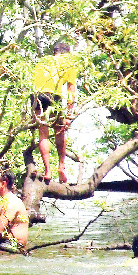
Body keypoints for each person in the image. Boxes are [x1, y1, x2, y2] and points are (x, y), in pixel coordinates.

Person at [31, 41, 79, 183]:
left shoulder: (42, 62)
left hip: (36, 96)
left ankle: (48, 170)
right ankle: (61, 166)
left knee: (43, 134)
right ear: (67, 54)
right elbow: (71, 91)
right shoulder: (69, 64)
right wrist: (69, 114)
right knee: (60, 130)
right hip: (52, 96)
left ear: (55, 52)